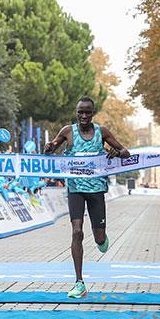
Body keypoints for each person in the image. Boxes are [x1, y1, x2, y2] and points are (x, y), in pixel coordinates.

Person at [44, 97, 132, 299]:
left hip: (96, 190)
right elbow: (50, 150)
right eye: (80, 112)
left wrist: (115, 152)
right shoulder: (68, 131)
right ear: (76, 113)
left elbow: (126, 152)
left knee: (99, 238)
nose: (83, 116)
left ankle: (101, 238)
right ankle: (79, 283)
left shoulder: (102, 132)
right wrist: (49, 147)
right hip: (75, 189)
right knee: (77, 232)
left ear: (93, 113)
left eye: (87, 112)